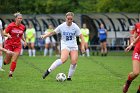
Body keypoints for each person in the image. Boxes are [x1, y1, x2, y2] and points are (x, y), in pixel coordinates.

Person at [41, 12, 85, 80]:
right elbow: (53, 32)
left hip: (73, 45)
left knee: (74, 62)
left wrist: (82, 46)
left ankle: (69, 77)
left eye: (71, 19)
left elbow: (81, 37)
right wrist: (45, 35)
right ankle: (48, 71)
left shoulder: (75, 26)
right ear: (65, 18)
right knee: (63, 59)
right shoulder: (62, 26)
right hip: (65, 44)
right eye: (68, 19)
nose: (69, 21)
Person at [3, 12, 27, 78]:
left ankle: (10, 73)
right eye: (19, 18)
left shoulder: (23, 27)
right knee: (7, 61)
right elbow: (4, 32)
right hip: (9, 44)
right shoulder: (11, 25)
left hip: (18, 45)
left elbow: (21, 35)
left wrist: (24, 41)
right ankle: (5, 61)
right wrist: (7, 34)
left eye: (21, 18)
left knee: (15, 58)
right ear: (15, 19)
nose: (20, 19)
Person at [123, 23, 140, 93]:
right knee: (136, 73)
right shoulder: (138, 25)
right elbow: (138, 36)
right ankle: (128, 82)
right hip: (138, 51)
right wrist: (131, 44)